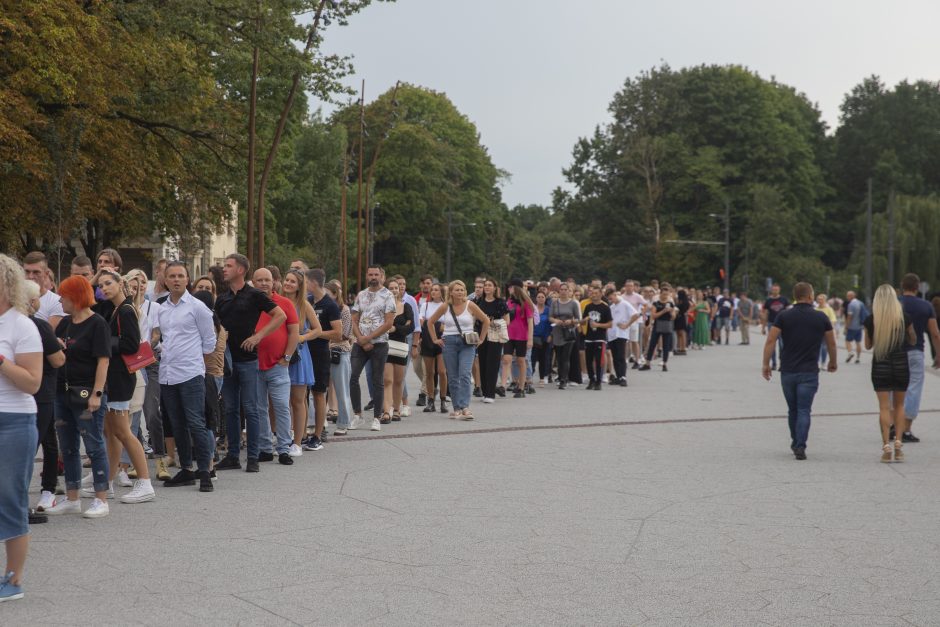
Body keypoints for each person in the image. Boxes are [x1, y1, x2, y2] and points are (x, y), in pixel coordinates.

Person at [45, 276, 111, 519]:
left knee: (94, 446)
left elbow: (103, 361)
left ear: (75, 297)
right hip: (62, 393)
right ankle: (72, 497)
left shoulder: (97, 324)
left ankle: (101, 498)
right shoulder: (64, 324)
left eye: (63, 296)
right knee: (69, 447)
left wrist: (97, 393)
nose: (60, 300)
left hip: (86, 394)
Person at [215, 254, 286, 473]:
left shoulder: (254, 294)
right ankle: (233, 455)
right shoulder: (223, 297)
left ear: (241, 270)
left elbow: (280, 315)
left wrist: (258, 336)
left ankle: (253, 456)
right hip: (227, 360)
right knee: (231, 409)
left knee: (252, 408)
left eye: (228, 266)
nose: (224, 269)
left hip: (248, 360)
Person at [0, 255, 43, 601]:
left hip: (13, 420)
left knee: (9, 497)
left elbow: (32, 383)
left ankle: (12, 581)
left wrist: (1, 361)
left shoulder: (21, 326)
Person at [93, 269, 154, 504]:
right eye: (101, 285)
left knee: (123, 432)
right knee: (112, 433)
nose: (104, 288)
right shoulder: (116, 309)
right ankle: (107, 483)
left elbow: (130, 345)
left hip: (120, 379)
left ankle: (145, 482)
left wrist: (103, 344)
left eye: (109, 283)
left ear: (120, 284)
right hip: (114, 378)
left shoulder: (126, 310)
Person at [156, 261, 217, 492]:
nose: (176, 280)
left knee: (196, 422)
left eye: (181, 275)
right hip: (167, 375)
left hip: (190, 373)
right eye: (172, 276)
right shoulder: (161, 307)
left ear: (187, 279)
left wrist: (190, 356)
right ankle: (187, 469)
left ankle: (205, 471)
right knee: (177, 423)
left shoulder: (197, 306)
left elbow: (209, 341)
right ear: (165, 280)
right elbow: (160, 337)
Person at [762, 282, 836, 460]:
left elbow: (771, 340)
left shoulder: (784, 316)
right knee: (804, 410)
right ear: (810, 296)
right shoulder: (821, 317)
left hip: (788, 370)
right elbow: (831, 342)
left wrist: (766, 363)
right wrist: (833, 361)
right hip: (810, 371)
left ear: (795, 296)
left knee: (792, 410)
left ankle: (796, 441)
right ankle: (800, 446)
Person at [22, 282, 65, 517]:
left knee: (46, 440)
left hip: (27, 391)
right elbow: (57, 360)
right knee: (37, 443)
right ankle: (37, 493)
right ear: (32, 301)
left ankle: (47, 490)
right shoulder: (38, 325)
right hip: (43, 390)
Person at [251, 267, 299, 466]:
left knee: (281, 407)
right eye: (259, 280)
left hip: (278, 365)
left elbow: (294, 333)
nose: (263, 283)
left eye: (267, 280)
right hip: (253, 366)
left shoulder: (285, 303)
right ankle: (264, 448)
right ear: (253, 282)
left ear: (273, 282)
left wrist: (287, 357)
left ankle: (284, 448)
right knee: (259, 408)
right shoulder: (249, 303)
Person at [864, 284, 916, 463]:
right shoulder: (904, 318)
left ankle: (886, 446)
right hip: (901, 365)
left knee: (884, 407)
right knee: (900, 406)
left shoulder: (871, 319)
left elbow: (868, 345)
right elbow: (913, 339)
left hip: (880, 365)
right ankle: (899, 444)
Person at [426, 280, 489, 419]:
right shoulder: (445, 306)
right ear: (451, 292)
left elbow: (486, 320)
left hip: (467, 343)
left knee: (465, 374)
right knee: (453, 377)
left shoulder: (470, 305)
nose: (460, 292)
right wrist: (435, 339)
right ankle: (456, 408)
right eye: (457, 290)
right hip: (449, 343)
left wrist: (482, 338)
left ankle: (465, 407)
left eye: (462, 289)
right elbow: (430, 322)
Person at [349, 265, 396, 431]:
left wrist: (369, 338)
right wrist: (361, 339)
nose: (373, 277)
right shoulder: (361, 295)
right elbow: (353, 319)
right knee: (353, 376)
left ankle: (377, 417)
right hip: (359, 343)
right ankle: (357, 415)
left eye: (376, 274)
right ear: (367, 276)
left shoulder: (388, 295)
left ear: (381, 276)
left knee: (377, 380)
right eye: (370, 274)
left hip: (379, 343)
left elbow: (389, 322)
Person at [281, 269, 321, 454]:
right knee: (280, 401)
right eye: (286, 280)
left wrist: (302, 338)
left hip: (299, 355)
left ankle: (297, 442)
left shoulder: (304, 305)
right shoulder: (277, 302)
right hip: (279, 354)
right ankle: (282, 439)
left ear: (299, 286)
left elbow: (317, 329)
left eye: (292, 281)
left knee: (298, 399)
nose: (288, 283)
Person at [897, 274, 940, 443]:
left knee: (895, 388)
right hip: (915, 351)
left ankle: (894, 425)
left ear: (902, 286)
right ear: (917, 287)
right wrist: (938, 355)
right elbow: (935, 333)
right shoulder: (926, 306)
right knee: (913, 388)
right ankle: (906, 429)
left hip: (894, 352)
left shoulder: (894, 304)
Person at [304, 269, 341, 452]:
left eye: (305, 282)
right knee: (302, 394)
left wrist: (315, 334)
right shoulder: (309, 302)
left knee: (319, 394)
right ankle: (302, 433)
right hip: (305, 353)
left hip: (320, 354)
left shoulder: (330, 305)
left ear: (313, 283)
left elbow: (338, 333)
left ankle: (318, 435)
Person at [325, 280, 356, 435]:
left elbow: (344, 334)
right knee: (320, 389)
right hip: (324, 351)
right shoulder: (322, 308)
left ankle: (344, 422)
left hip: (340, 351)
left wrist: (325, 338)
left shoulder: (343, 310)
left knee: (341, 389)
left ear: (335, 294)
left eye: (328, 294)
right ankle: (319, 421)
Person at [382, 278, 414, 422]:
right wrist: (401, 326)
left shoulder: (406, 307)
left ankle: (397, 409)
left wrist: (395, 328)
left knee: (399, 380)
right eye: (391, 288)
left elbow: (410, 327)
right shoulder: (382, 306)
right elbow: (380, 324)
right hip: (385, 344)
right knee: (387, 379)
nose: (394, 290)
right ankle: (386, 410)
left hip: (401, 346)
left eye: (396, 287)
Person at [475, 278, 509, 403]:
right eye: (486, 285)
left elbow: (507, 321)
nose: (487, 287)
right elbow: (475, 319)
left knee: (493, 364)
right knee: (482, 363)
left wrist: (491, 322)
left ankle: (490, 394)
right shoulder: (479, 302)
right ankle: (485, 392)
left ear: (495, 288)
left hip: (495, 336)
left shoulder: (500, 302)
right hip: (482, 336)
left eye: (490, 285)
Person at [419, 282, 449, 412]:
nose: (433, 292)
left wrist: (437, 324)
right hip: (427, 339)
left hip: (442, 339)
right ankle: (430, 400)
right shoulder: (425, 305)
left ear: (442, 292)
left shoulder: (446, 306)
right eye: (432, 290)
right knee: (429, 372)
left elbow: (448, 323)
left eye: (436, 290)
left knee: (442, 371)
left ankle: (443, 400)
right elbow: (421, 321)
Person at [503, 280, 534, 398]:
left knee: (521, 361)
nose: (509, 289)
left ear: (516, 288)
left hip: (522, 336)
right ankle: (503, 386)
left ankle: (521, 387)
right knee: (506, 359)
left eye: (510, 287)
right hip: (509, 335)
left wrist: (530, 339)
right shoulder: (508, 302)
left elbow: (530, 322)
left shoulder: (526, 303)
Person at [549, 282, 581, 390]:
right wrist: (556, 320)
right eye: (561, 289)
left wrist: (570, 321)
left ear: (569, 291)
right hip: (557, 331)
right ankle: (560, 376)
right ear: (559, 291)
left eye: (565, 289)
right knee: (558, 357)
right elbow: (550, 317)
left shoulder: (573, 303)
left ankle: (564, 379)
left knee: (565, 357)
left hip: (569, 332)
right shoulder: (554, 303)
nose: (563, 291)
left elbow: (578, 319)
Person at [606, 287, 640, 386]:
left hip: (621, 334)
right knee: (615, 357)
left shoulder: (624, 304)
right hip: (612, 334)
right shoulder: (612, 307)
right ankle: (618, 376)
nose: (610, 300)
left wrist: (627, 325)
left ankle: (623, 377)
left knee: (621, 356)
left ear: (615, 294)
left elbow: (635, 315)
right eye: (608, 299)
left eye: (611, 297)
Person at [640, 283, 677, 372]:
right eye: (664, 294)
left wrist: (671, 312)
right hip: (657, 324)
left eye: (667, 295)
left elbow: (673, 317)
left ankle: (664, 363)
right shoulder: (656, 303)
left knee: (666, 345)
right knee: (652, 343)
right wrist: (664, 311)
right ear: (660, 294)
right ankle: (647, 363)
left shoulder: (670, 303)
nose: (665, 296)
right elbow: (654, 315)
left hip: (667, 325)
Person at [22, 251, 64, 330]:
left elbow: (47, 334)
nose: (30, 276)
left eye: (36, 272)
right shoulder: (10, 297)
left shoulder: (57, 302)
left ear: (46, 274)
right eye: (27, 272)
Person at [581, 286, 612, 389]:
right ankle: (591, 380)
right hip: (589, 337)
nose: (593, 295)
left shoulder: (605, 307)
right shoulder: (588, 306)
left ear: (600, 294)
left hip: (600, 337)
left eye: (596, 293)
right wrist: (584, 320)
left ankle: (598, 381)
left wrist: (598, 325)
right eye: (592, 293)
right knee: (588, 360)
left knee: (599, 360)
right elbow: (583, 320)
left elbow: (610, 324)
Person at [412, 274, 433, 406]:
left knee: (427, 369)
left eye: (428, 283)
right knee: (416, 367)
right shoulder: (414, 300)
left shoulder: (434, 300)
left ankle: (423, 393)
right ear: (420, 285)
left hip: (430, 337)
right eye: (424, 283)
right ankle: (431, 387)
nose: (426, 285)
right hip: (416, 337)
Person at [761, 284, 789, 369]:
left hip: (783, 324)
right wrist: (763, 327)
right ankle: (773, 363)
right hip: (772, 323)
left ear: (779, 290)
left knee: (782, 345)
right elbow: (765, 314)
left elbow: (788, 312)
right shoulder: (768, 301)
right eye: (773, 290)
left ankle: (782, 363)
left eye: (776, 289)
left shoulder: (784, 300)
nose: (775, 291)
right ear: (771, 290)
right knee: (771, 344)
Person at [531, 291, 552, 385]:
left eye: (542, 297)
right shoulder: (532, 309)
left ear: (545, 298)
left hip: (545, 337)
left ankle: (542, 378)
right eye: (539, 297)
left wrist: (551, 335)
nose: (540, 299)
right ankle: (529, 377)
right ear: (536, 298)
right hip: (533, 337)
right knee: (532, 358)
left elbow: (552, 324)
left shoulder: (549, 309)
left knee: (544, 358)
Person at [814, 293, 837, 366]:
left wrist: (831, 329)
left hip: (826, 331)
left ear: (825, 300)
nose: (820, 300)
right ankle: (816, 363)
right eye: (818, 299)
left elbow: (833, 320)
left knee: (824, 347)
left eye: (821, 299)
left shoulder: (829, 309)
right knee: (816, 347)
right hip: (816, 331)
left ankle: (823, 363)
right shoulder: (815, 309)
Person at [844, 290, 864, 364]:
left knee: (847, 341)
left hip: (852, 327)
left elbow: (849, 317)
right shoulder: (861, 303)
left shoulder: (851, 304)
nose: (847, 297)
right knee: (858, 342)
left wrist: (846, 327)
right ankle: (858, 358)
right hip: (859, 326)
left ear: (851, 296)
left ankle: (851, 352)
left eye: (848, 296)